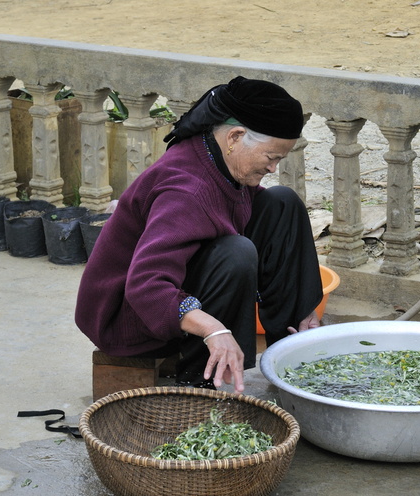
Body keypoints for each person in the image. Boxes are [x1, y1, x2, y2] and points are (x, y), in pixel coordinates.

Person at [75, 76, 323, 394]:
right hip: (128, 316)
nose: (273, 168)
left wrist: (302, 305)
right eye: (271, 157)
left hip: (172, 284)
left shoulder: (215, 153)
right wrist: (214, 330)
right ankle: (201, 383)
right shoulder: (186, 190)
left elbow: (242, 214)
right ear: (235, 136)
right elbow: (145, 287)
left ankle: (293, 336)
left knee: (282, 202)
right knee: (237, 252)